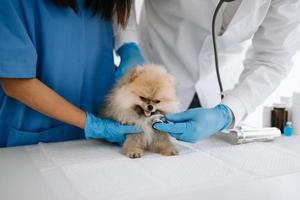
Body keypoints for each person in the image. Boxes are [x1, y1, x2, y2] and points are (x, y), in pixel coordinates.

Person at [115, 0, 300, 143]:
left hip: (219, 92)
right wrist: (128, 42)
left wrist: (230, 111)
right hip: (155, 72)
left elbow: (273, 57)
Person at [0, 0, 145, 147]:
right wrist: (94, 126)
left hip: (100, 137)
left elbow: (120, 18)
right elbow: (14, 81)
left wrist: (129, 48)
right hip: (32, 139)